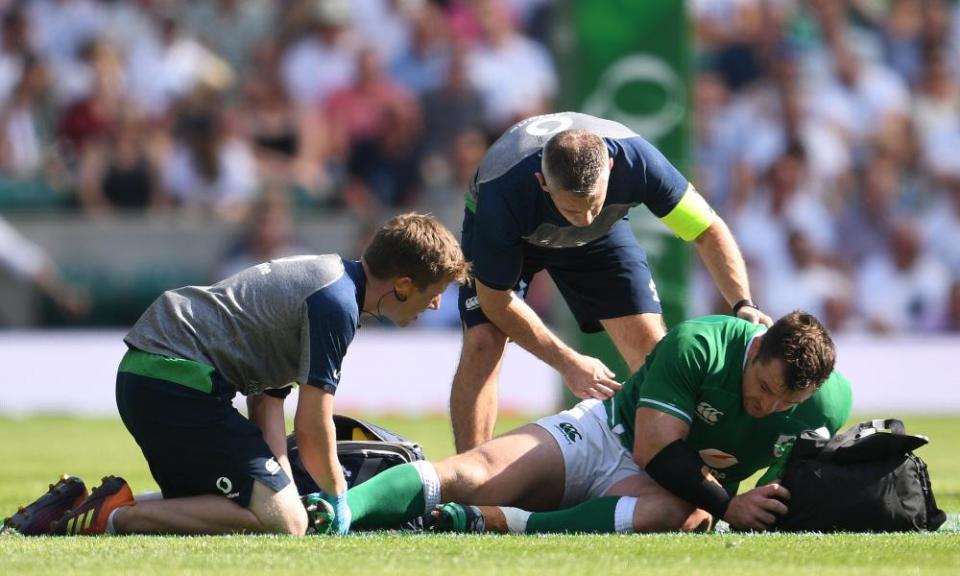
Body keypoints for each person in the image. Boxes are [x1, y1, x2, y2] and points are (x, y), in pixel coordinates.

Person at [3, 213, 469, 537]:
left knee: (248, 507)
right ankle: (112, 517)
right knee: (286, 522)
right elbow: (312, 425)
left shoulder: (331, 282)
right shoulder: (338, 304)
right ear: (403, 285)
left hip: (156, 378)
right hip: (175, 382)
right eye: (435, 292)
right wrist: (337, 496)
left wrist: (284, 486)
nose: (435, 304)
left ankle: (73, 508)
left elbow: (268, 403)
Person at [338, 311, 851, 534]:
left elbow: (786, 490)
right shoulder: (700, 343)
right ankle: (339, 509)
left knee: (682, 514)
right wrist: (730, 503)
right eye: (763, 389)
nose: (767, 408)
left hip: (676, 493)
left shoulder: (827, 406)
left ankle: (512, 524)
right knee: (472, 473)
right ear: (756, 347)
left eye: (787, 403)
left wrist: (749, 506)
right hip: (606, 435)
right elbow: (654, 449)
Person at [452, 111, 772, 453]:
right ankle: (471, 483)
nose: (584, 217)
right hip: (518, 236)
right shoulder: (503, 191)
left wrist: (743, 303)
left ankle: (672, 471)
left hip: (602, 237)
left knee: (656, 356)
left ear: (609, 168)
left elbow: (707, 229)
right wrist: (567, 362)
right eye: (573, 210)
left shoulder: (638, 160)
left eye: (593, 202)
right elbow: (495, 300)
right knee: (484, 340)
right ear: (542, 182)